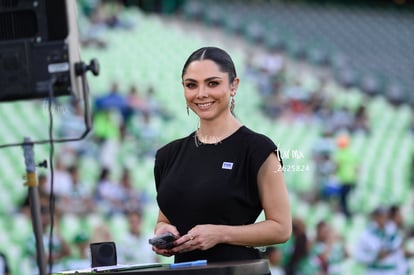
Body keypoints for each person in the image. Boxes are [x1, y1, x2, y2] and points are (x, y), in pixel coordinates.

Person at [152, 47, 291, 264]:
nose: (201, 94)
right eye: (191, 85)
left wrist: (220, 234)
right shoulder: (167, 155)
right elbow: (165, 219)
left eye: (212, 83)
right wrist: (163, 231)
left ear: (234, 85)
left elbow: (281, 228)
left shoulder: (258, 149)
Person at [353, 206, 405, 275]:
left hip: (392, 271)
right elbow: (358, 255)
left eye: (385, 216)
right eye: (381, 216)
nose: (384, 219)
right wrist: (375, 256)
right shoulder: (366, 234)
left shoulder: (392, 231)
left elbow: (398, 250)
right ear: (375, 217)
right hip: (375, 271)